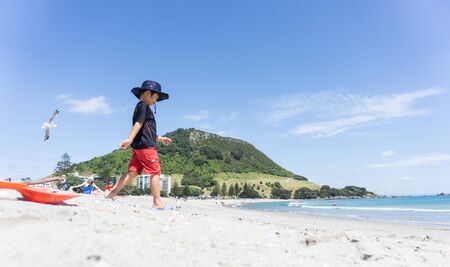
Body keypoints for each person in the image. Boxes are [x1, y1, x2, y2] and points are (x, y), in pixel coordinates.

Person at [106, 80, 172, 209]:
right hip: (146, 147)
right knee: (155, 172)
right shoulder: (144, 106)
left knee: (132, 172)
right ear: (148, 93)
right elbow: (138, 124)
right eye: (156, 97)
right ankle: (157, 203)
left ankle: (112, 194)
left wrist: (159, 138)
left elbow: (146, 130)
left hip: (138, 147)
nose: (156, 101)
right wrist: (129, 139)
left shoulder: (141, 107)